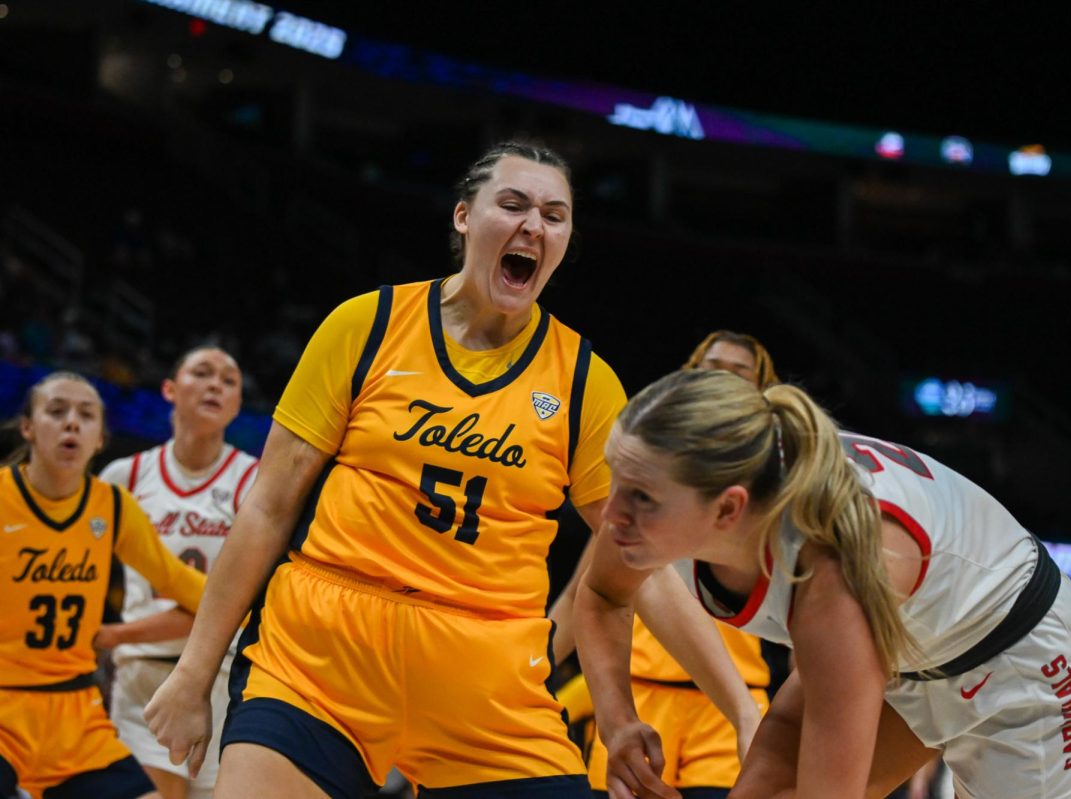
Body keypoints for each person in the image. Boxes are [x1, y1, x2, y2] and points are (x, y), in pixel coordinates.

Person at [143, 141, 739, 799]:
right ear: (463, 217)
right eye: (512, 204)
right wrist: (193, 672)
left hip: (488, 676)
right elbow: (267, 507)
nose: (533, 226)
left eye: (554, 214)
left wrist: (744, 712)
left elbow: (639, 566)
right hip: (322, 658)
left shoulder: (585, 382)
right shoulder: (365, 325)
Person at [575, 368, 1071, 799]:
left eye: (642, 496)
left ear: (728, 508)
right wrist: (618, 723)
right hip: (904, 648)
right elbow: (602, 595)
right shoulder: (669, 504)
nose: (613, 512)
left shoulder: (831, 569)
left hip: (1018, 659)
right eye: (615, 476)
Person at [562, 330, 783, 798]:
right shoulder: (642, 489)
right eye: (709, 367)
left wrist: (761, 715)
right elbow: (588, 594)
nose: (718, 379)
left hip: (727, 708)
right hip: (640, 691)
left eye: (736, 373)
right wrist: (526, 668)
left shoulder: (780, 495)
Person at [0, 371, 207, 799]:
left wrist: (256, 598)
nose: (71, 422)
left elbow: (187, 590)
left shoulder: (112, 506)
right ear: (28, 427)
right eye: (56, 412)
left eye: (86, 415)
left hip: (76, 719)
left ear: (99, 438)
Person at [96, 347, 258, 799]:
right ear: (169, 389)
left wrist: (112, 635)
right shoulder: (123, 476)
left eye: (229, 381)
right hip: (140, 682)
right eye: (202, 373)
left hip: (223, 679)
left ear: (238, 404)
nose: (215, 385)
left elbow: (240, 603)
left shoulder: (255, 483)